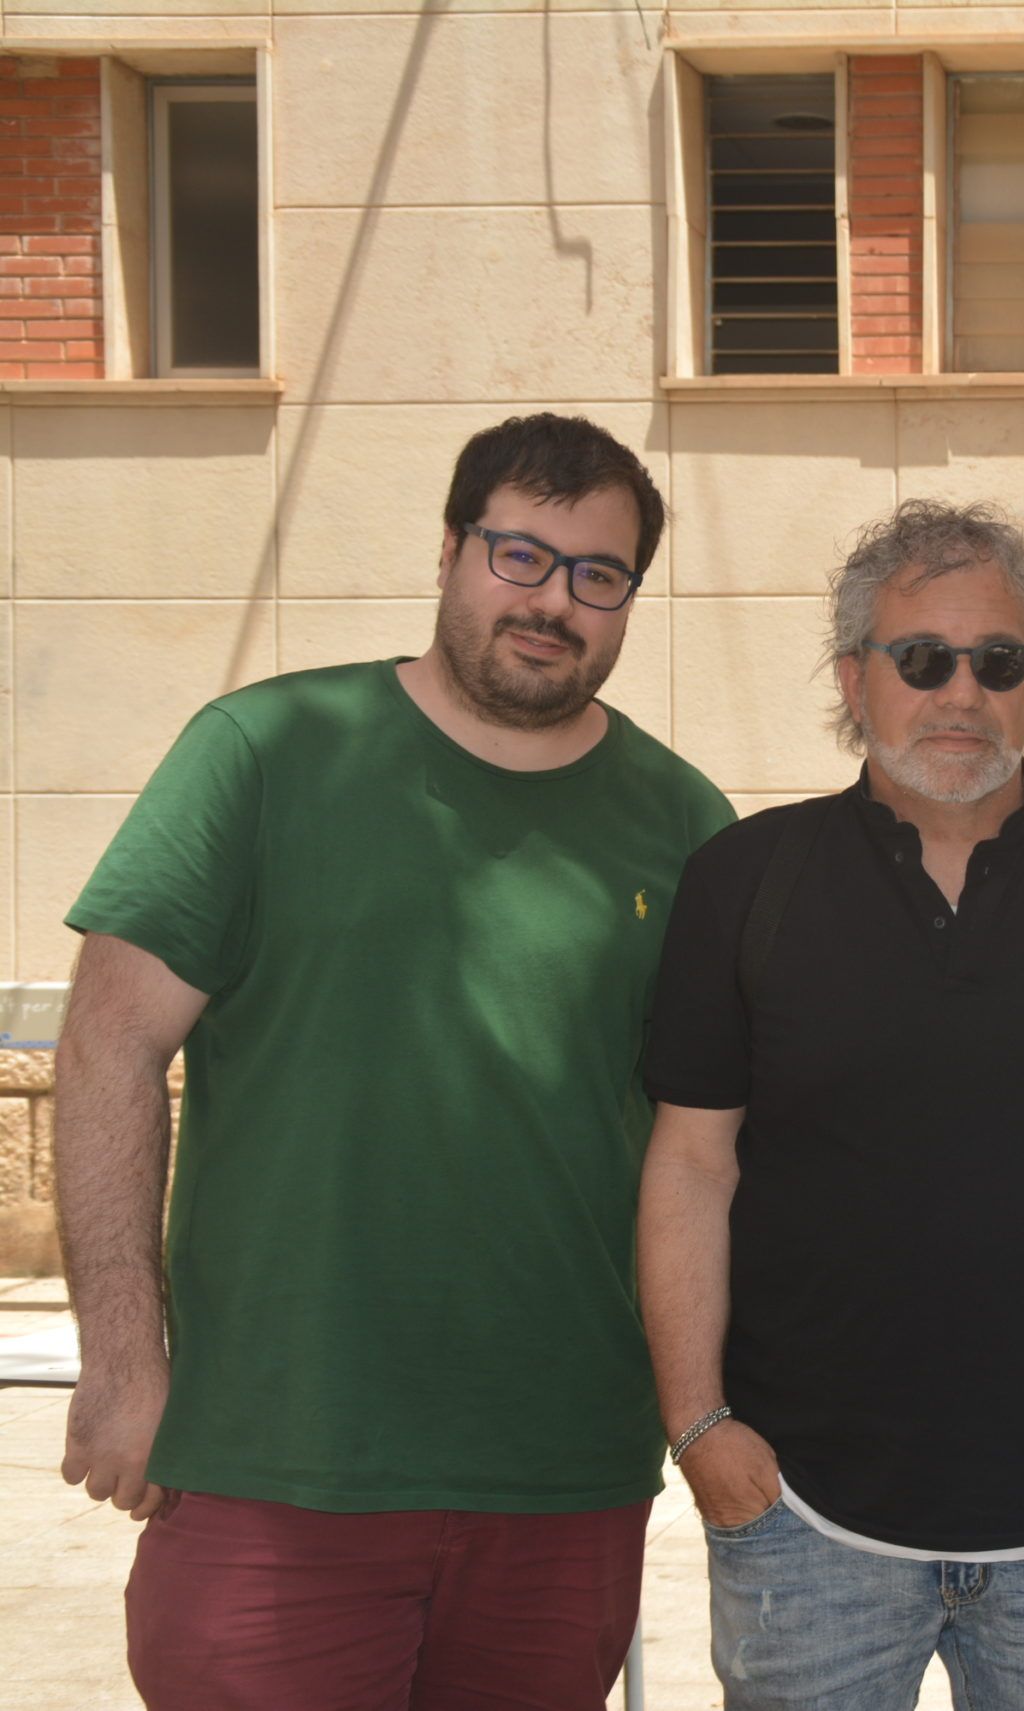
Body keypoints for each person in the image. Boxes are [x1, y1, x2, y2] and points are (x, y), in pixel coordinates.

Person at [53, 413, 733, 1709]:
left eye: (599, 573)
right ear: (450, 550)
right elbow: (108, 1046)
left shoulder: (687, 824)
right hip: (276, 1458)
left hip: (562, 1473)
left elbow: (707, 1147)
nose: (553, 600)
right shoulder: (265, 751)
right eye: (520, 553)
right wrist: (125, 1360)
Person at [636, 498, 1024, 1711]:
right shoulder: (747, 880)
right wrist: (698, 1428)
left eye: (997, 659)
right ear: (855, 677)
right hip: (804, 1516)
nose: (961, 692)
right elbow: (692, 1162)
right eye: (921, 659)